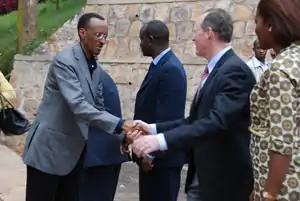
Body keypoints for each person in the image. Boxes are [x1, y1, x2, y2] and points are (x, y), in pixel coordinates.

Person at [131, 8, 255, 201]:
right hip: (204, 175)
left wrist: (160, 141)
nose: (192, 38)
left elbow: (216, 122)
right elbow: (195, 120)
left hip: (223, 180)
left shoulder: (233, 71)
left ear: (209, 33)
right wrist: (154, 129)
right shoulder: (217, 69)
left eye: (196, 31)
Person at [22, 13, 134, 201]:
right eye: (98, 35)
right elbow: (79, 106)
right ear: (82, 33)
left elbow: (98, 108)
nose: (102, 41)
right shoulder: (64, 61)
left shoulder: (96, 69)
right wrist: (121, 124)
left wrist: (124, 135)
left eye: (105, 36)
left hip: (74, 154)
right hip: (48, 151)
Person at [248, 0, 300, 200]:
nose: (255, 29)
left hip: (284, 184)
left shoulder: (281, 69)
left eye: (257, 21)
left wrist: (268, 192)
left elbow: (282, 142)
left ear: (270, 24)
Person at [133, 20, 187, 201]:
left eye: (141, 39)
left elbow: (169, 116)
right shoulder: (160, 65)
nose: (140, 44)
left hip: (161, 161)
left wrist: (151, 153)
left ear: (150, 39)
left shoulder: (170, 69)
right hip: (153, 157)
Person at [80, 69, 130, 201]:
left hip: (97, 156)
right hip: (105, 153)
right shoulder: (98, 74)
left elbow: (85, 111)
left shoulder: (90, 76)